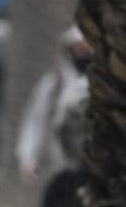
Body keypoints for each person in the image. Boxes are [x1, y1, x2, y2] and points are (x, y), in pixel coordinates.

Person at [17, 26, 91, 180]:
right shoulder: (53, 85)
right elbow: (36, 120)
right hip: (60, 167)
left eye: (87, 48)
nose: (83, 53)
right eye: (78, 48)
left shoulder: (104, 87)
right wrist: (29, 156)